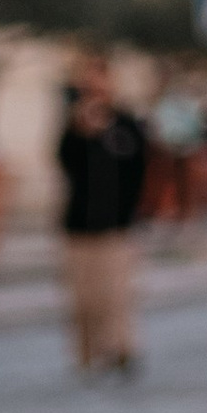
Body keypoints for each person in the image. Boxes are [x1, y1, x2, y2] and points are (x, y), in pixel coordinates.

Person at [56, 49, 149, 375]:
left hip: (116, 224)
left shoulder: (125, 124)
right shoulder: (72, 125)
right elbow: (64, 162)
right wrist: (82, 131)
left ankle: (119, 349)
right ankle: (86, 354)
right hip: (78, 223)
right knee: (82, 298)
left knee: (115, 293)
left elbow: (139, 168)